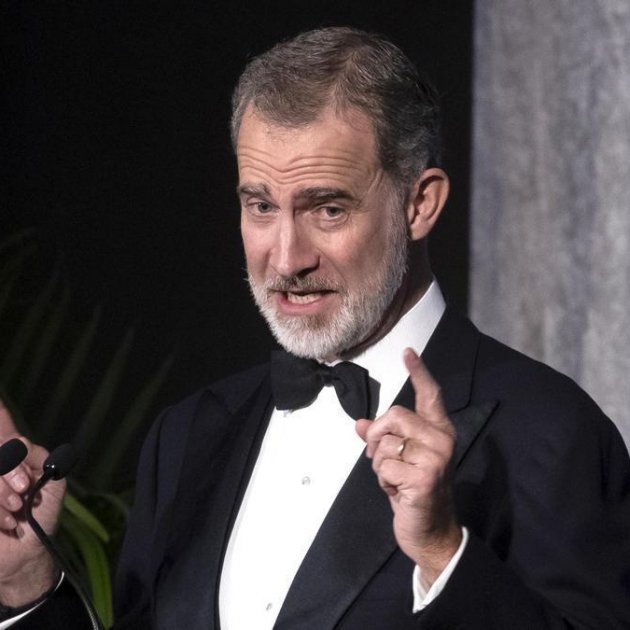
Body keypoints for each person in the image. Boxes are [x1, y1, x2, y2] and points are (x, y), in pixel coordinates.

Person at [1, 26, 629, 630]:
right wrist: (29, 584)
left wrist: (444, 555)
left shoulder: (551, 431)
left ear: (420, 204)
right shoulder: (187, 438)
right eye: (261, 206)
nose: (285, 259)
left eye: (328, 209)